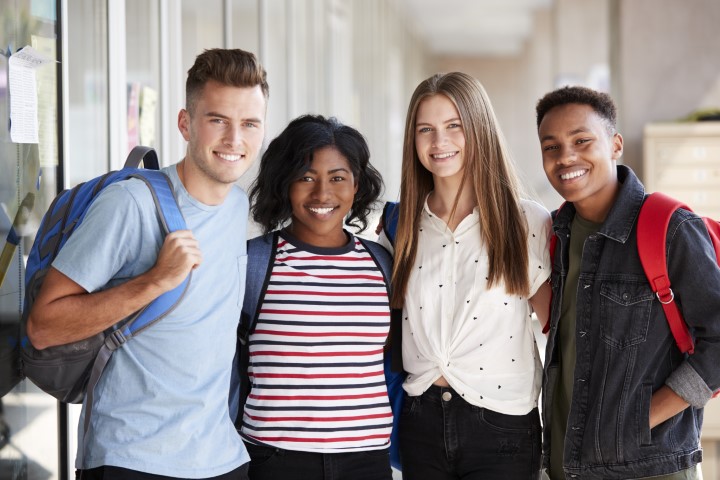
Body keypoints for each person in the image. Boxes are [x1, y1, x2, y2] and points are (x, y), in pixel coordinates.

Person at [26, 48, 269, 480]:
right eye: (218, 120)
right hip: (131, 458)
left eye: (249, 123)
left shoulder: (236, 206)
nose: (235, 140)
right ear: (185, 123)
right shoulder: (130, 204)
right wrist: (155, 280)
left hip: (221, 458)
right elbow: (44, 326)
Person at [536, 85, 720, 479]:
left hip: (648, 467)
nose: (566, 157)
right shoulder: (555, 233)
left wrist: (642, 418)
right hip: (566, 465)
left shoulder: (670, 228)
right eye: (551, 147)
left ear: (615, 144)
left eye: (582, 140)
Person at [378, 72, 552, 480]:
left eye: (454, 126)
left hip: (501, 423)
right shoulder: (400, 224)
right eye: (426, 129)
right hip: (421, 420)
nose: (440, 142)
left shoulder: (524, 219)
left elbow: (556, 328)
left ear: (478, 128)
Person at [237, 114, 394, 480]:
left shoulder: (381, 263)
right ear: (284, 184)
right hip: (276, 460)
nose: (322, 193)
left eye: (337, 178)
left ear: (356, 185)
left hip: (366, 460)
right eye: (306, 178)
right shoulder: (253, 262)